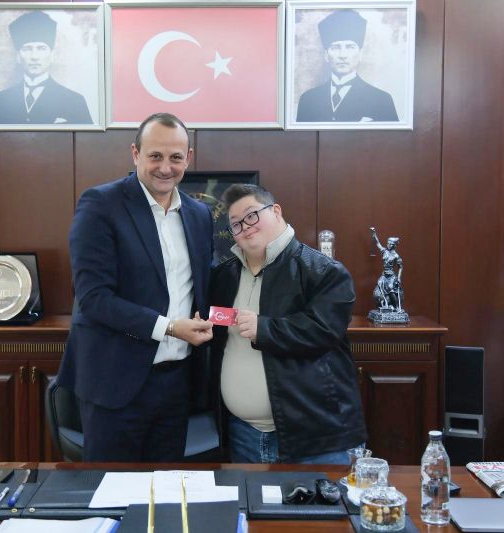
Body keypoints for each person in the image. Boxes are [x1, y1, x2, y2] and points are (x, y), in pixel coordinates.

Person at [57, 112, 214, 462]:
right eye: (155, 156)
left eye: (175, 157)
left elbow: (204, 285)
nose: (165, 167)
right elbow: (94, 298)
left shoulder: (199, 215)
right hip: (115, 383)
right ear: (135, 153)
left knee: (167, 489)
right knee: (111, 488)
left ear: (188, 158)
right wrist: (170, 327)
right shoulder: (101, 205)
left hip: (176, 384)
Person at [209, 184, 366, 463]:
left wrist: (263, 329)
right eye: (236, 224)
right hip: (242, 435)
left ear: (276, 211)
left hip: (314, 438)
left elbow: (324, 330)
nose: (245, 227)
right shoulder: (224, 276)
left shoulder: (324, 271)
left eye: (252, 215)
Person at [296, 9, 399, 123]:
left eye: (350, 47)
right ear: (326, 55)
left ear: (360, 54)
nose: (342, 55)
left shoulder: (381, 100)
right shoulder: (308, 100)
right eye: (336, 47)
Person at [0, 11, 92, 125]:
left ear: (52, 55)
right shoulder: (2, 101)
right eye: (27, 49)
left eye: (41, 48)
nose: (34, 57)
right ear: (18, 56)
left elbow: (86, 136)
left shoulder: (74, 101)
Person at [370, 227, 404, 311]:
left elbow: (400, 267)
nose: (388, 245)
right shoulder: (384, 251)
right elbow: (378, 243)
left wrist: (399, 278)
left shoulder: (396, 256)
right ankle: (385, 304)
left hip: (391, 276)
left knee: (390, 288)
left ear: (394, 245)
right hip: (384, 275)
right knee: (379, 284)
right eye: (388, 243)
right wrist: (374, 234)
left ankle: (397, 307)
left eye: (390, 244)